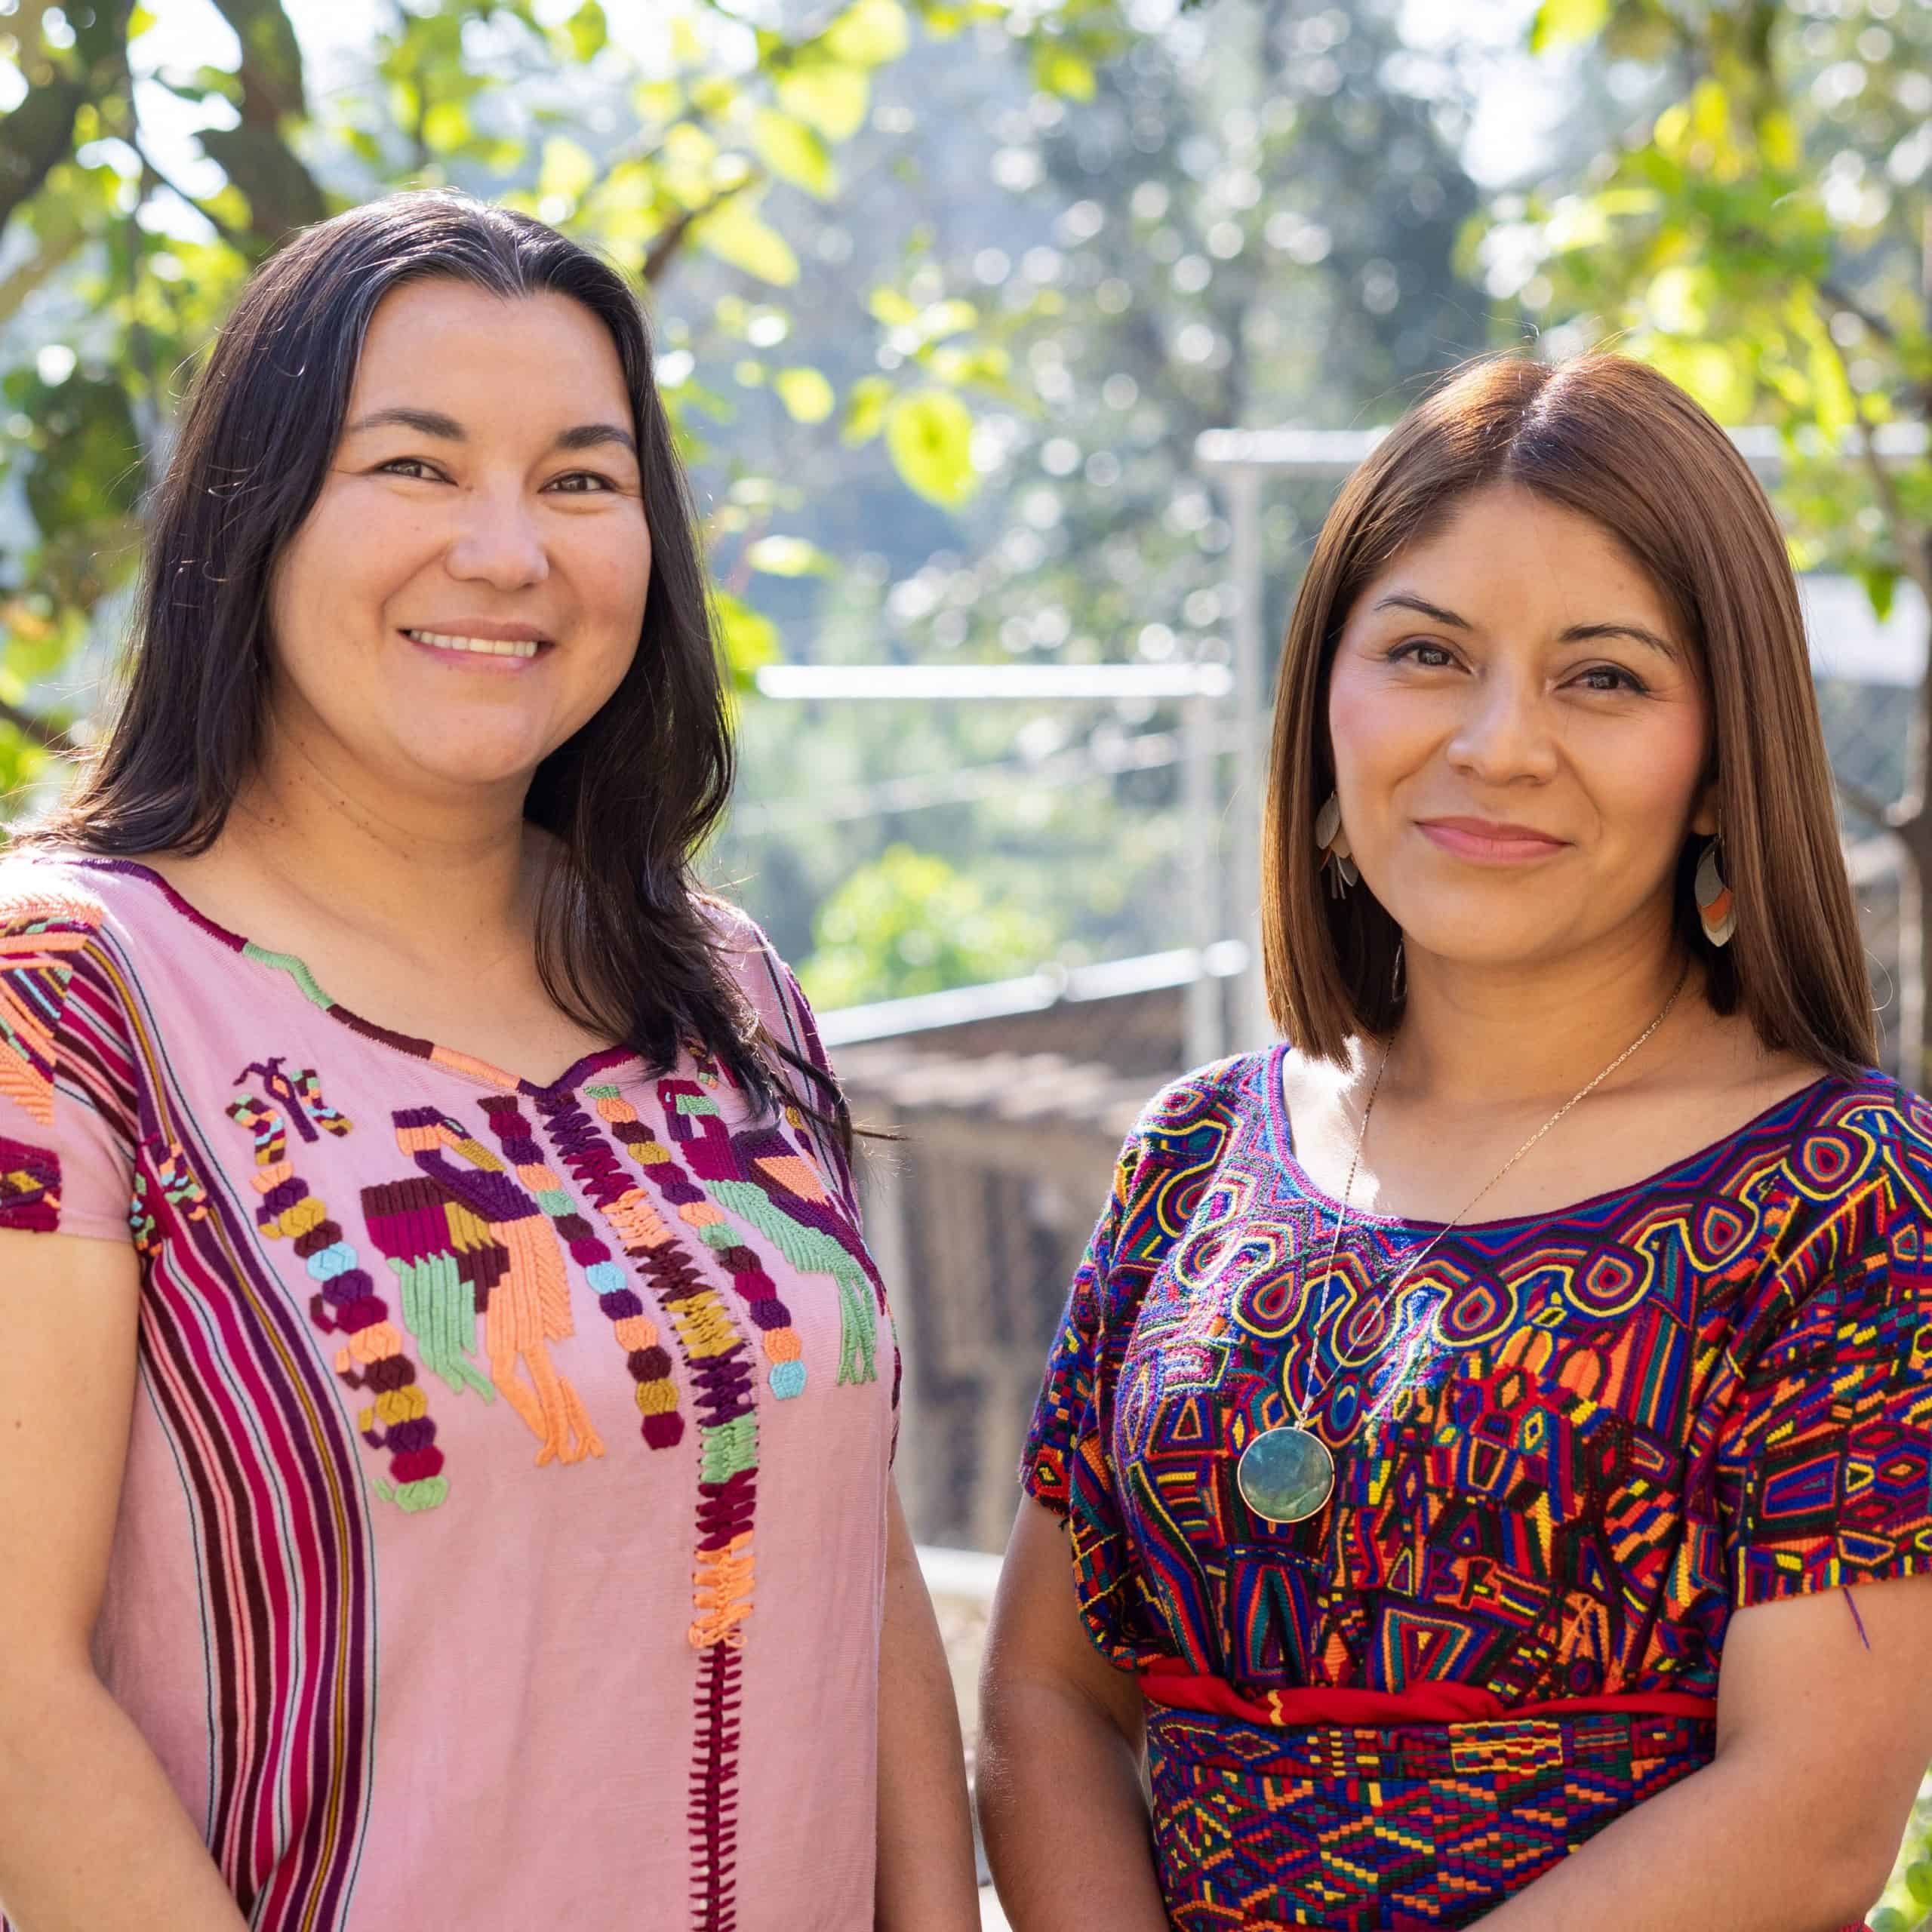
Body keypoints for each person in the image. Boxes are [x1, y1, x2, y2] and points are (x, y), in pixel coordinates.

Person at [0, 191, 979, 1932]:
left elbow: (860, 1565)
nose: (509, 550)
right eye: (417, 465)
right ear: (258, 519)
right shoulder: (69, 997)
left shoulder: (723, 986)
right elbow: (15, 1695)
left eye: (583, 481)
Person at [976, 352, 1932, 1932]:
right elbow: (1044, 1698)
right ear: (1323, 704)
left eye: (1602, 676)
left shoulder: (1843, 1193)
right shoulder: (1194, 1154)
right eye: (1426, 652)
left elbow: (1812, 1813)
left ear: (1720, 758)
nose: (1496, 743)